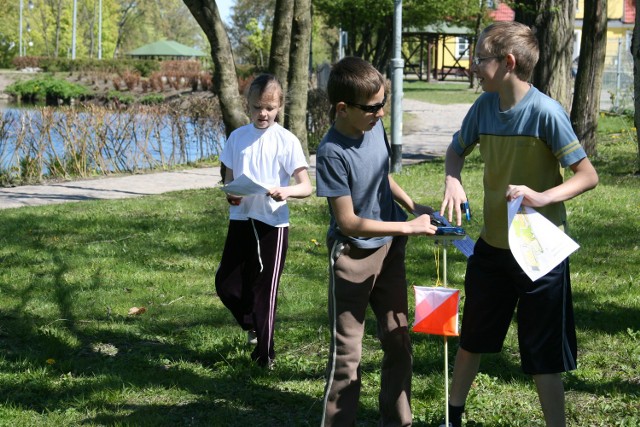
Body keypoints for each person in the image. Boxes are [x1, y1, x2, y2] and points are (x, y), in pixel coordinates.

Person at [439, 22, 599, 427]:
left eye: (481, 59)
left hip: (540, 252)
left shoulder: (546, 113)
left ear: (508, 63)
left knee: (543, 355)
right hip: (491, 248)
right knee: (471, 338)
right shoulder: (482, 108)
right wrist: (452, 179)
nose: (475, 66)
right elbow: (455, 151)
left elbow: (586, 175)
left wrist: (544, 197)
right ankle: (451, 417)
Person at [315, 56, 438, 426]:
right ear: (342, 109)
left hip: (389, 251)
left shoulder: (372, 129)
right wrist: (407, 227)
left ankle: (398, 421)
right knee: (347, 357)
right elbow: (348, 222)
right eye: (373, 108)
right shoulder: (330, 153)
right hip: (353, 258)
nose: (382, 113)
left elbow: (382, 176)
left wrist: (412, 204)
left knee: (399, 338)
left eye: (383, 103)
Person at [215, 74, 312, 369]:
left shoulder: (286, 140)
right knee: (226, 283)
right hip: (242, 218)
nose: (263, 113)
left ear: (280, 105)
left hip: (273, 222)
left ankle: (265, 356)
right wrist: (231, 195)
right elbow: (229, 180)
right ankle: (253, 324)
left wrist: (287, 191)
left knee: (264, 289)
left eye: (270, 107)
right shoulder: (237, 138)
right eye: (257, 107)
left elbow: (306, 186)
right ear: (247, 105)